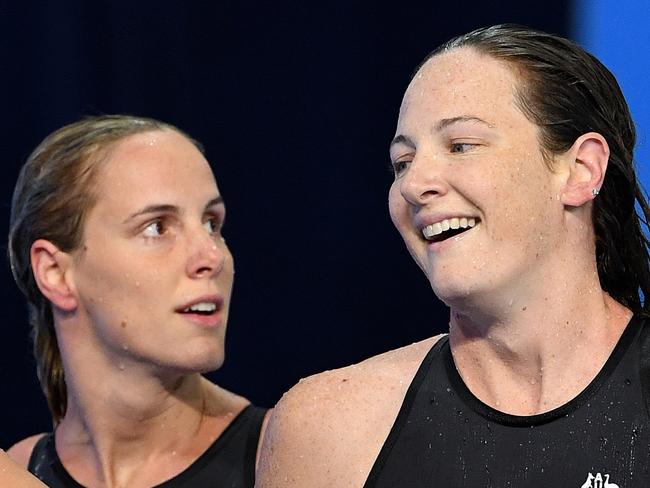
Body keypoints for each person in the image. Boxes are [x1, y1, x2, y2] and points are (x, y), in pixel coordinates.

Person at [256, 24, 650, 487]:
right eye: (402, 163)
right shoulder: (327, 431)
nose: (413, 185)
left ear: (580, 171)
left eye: (461, 145)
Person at [7, 115, 269, 487]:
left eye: (212, 222)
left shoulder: (281, 456)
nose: (212, 255)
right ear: (54, 272)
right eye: (157, 227)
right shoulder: (20, 468)